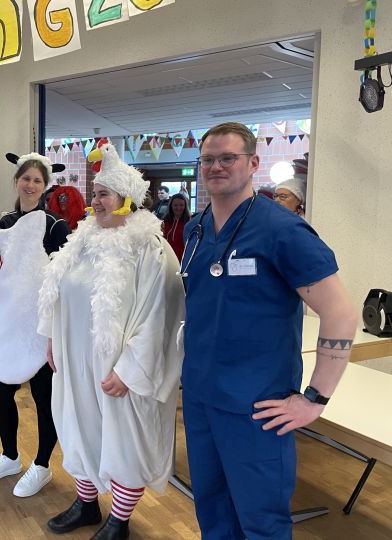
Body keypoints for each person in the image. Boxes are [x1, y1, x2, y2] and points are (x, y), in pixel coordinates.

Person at [181, 122, 358, 539]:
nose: (216, 166)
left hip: (257, 406)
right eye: (208, 159)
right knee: (212, 511)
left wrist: (315, 398)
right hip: (202, 397)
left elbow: (341, 314)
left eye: (228, 158)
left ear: (253, 163)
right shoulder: (196, 229)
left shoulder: (282, 230)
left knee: (261, 522)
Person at [39, 143, 185, 539]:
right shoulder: (81, 241)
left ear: (127, 199)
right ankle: (86, 504)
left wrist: (130, 369)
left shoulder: (149, 248)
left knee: (125, 442)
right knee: (79, 429)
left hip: (118, 369)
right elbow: (57, 293)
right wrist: (52, 338)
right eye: (95, 193)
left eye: (105, 194)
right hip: (75, 361)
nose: (96, 201)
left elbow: (161, 314)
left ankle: (119, 520)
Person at [0, 152, 70, 498]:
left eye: (37, 180)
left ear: (45, 186)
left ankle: (42, 464)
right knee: (0, 391)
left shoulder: (55, 225)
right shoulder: (5, 221)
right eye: (26, 178)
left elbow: (64, 276)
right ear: (16, 181)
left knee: (44, 397)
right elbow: (7, 268)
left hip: (40, 322)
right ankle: (10, 456)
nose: (30, 185)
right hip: (9, 318)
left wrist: (55, 324)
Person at [162, 193, 191, 262]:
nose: (178, 208)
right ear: (171, 206)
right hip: (167, 258)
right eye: (175, 205)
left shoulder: (190, 222)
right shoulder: (164, 222)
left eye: (181, 205)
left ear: (185, 206)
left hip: (183, 259)